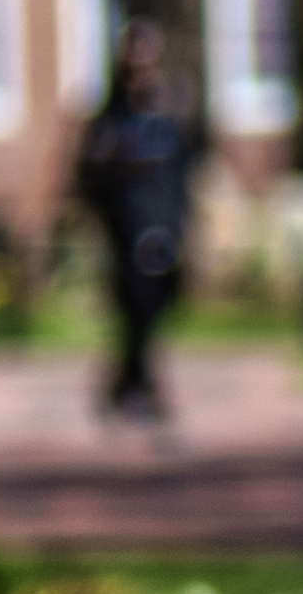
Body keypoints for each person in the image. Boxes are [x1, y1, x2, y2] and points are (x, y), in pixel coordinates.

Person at [69, 38, 205, 424]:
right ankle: (146, 388)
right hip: (126, 235)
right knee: (137, 307)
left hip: (164, 231)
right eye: (134, 71)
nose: (142, 79)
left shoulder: (169, 120)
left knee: (160, 305)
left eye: (149, 69)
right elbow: (88, 179)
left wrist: (181, 223)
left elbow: (182, 177)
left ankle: (125, 381)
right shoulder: (110, 123)